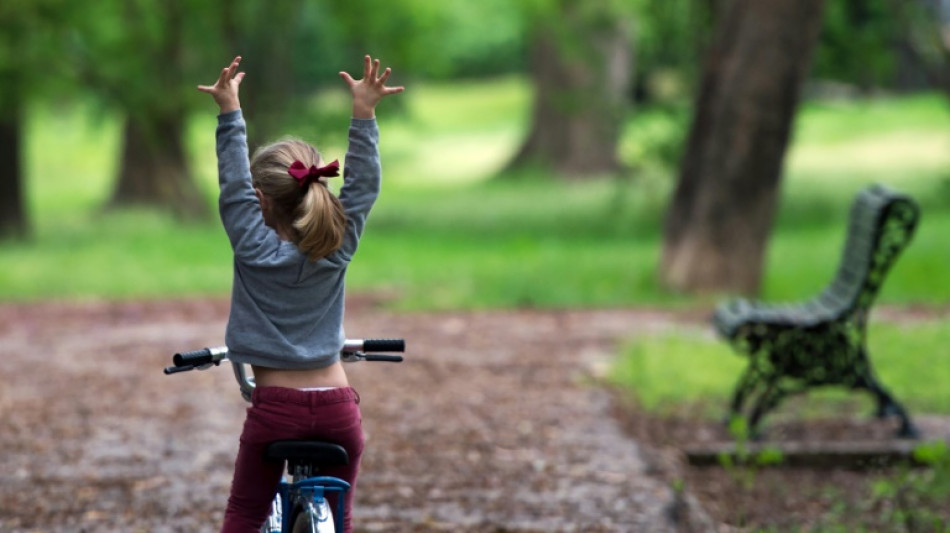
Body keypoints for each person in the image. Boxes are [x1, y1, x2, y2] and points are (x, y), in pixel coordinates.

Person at [197, 54, 404, 533]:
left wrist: (229, 112)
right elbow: (364, 187)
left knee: (246, 513)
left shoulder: (252, 247)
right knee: (342, 515)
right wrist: (364, 113)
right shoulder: (336, 248)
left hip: (276, 413)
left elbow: (231, 187)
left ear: (260, 199)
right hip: (338, 411)